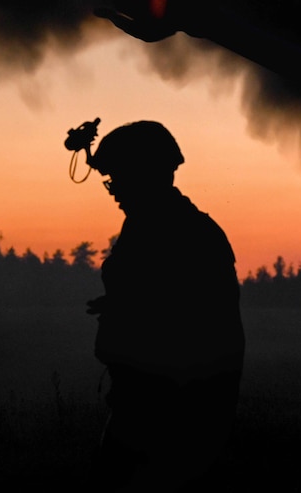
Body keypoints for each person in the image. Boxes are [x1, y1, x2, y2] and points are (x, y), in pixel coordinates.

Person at [85, 120, 245, 491]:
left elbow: (189, 320)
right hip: (148, 403)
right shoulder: (154, 227)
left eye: (118, 179)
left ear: (146, 174)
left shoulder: (179, 231)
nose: (113, 191)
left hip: (168, 410)